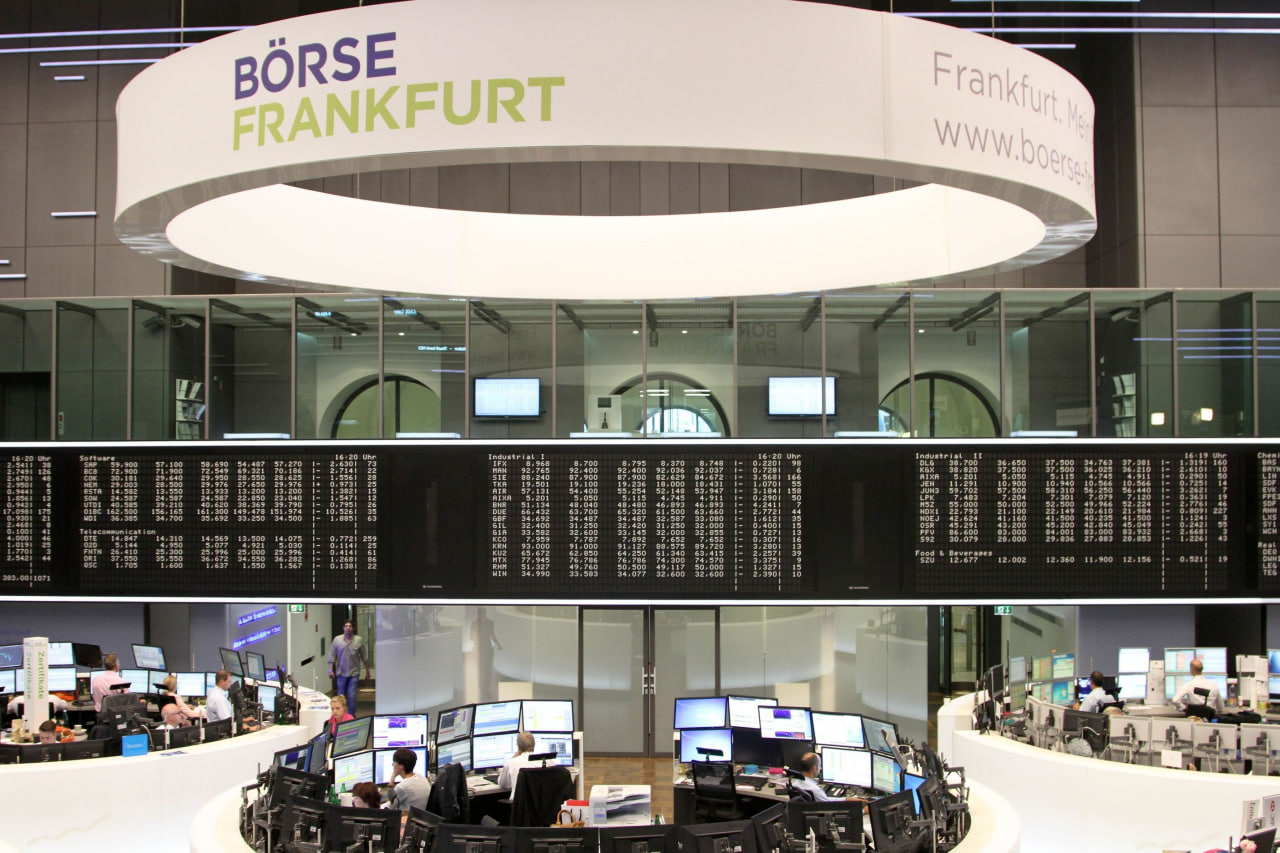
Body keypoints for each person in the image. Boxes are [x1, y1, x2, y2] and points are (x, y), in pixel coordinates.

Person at [327, 620, 369, 716]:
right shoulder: (337, 640)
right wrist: (330, 670)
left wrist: (367, 671)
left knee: (351, 696)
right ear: (343, 628)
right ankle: (341, 716)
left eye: (350, 626)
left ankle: (350, 717)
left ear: (353, 628)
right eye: (346, 626)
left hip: (354, 673)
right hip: (341, 673)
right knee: (340, 697)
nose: (348, 628)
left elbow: (364, 657)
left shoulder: (358, 640)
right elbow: (331, 656)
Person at [791, 753, 867, 804]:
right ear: (814, 768)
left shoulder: (795, 783)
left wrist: (846, 799)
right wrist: (863, 811)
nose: (820, 768)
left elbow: (826, 800)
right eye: (819, 765)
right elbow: (829, 805)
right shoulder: (815, 790)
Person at [497, 731, 539, 799]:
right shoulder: (549, 762)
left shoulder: (512, 763)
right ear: (534, 745)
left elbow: (502, 784)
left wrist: (512, 759)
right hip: (546, 805)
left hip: (520, 804)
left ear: (519, 746)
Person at [387, 747, 431, 811]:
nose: (392, 764)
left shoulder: (402, 787)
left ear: (401, 766)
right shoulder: (422, 777)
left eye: (394, 762)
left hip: (408, 816)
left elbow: (390, 807)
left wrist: (392, 779)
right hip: (421, 815)